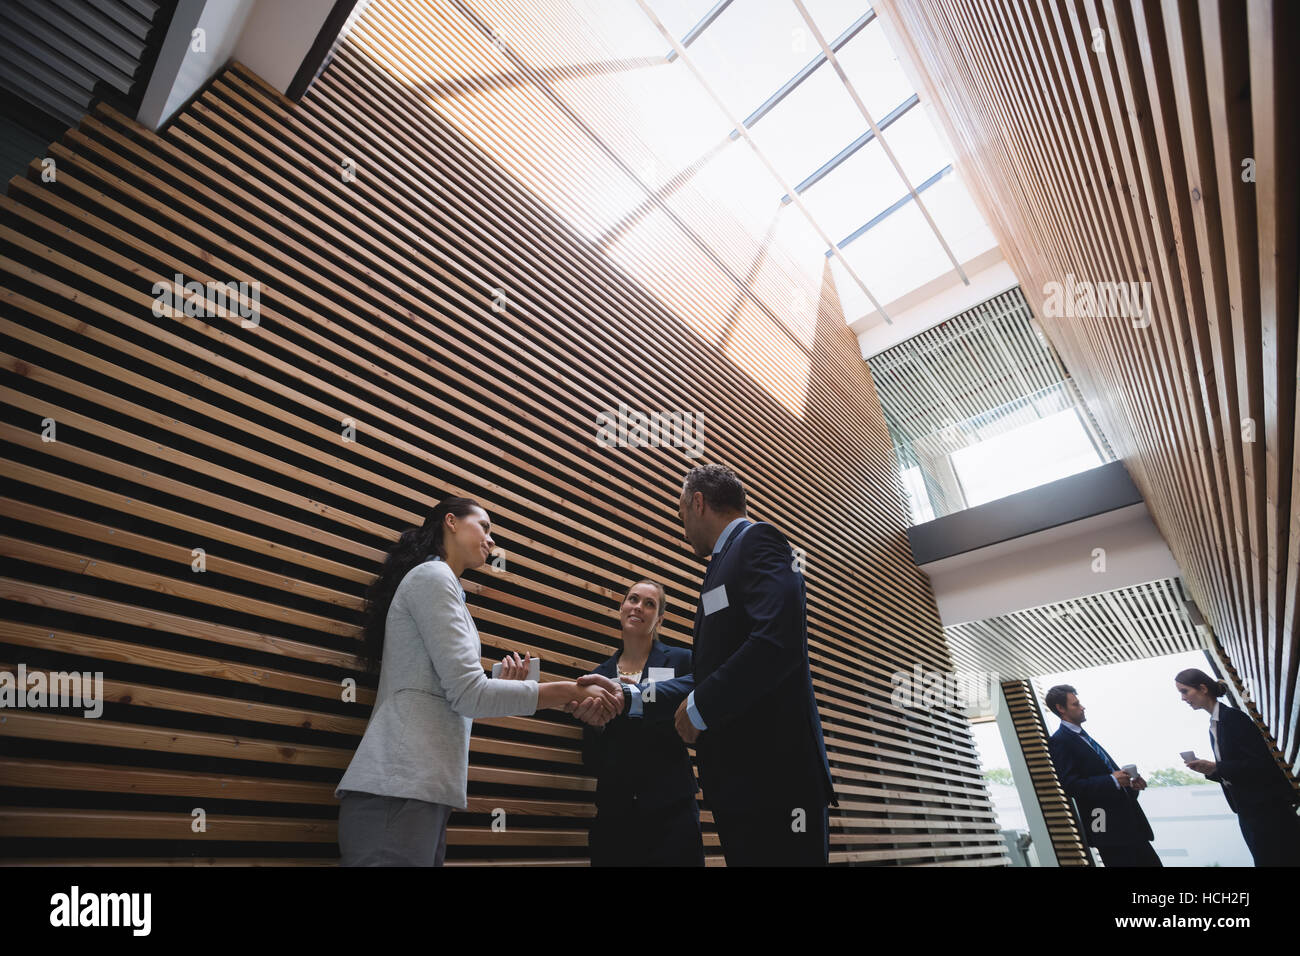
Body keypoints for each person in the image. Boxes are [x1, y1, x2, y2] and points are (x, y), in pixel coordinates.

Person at [334, 497, 620, 866]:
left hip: (417, 788)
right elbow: (469, 694)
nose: (491, 541)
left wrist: (509, 686)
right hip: (401, 785)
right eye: (484, 527)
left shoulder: (441, 583)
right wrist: (571, 689)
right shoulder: (433, 577)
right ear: (450, 522)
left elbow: (451, 690)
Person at [575, 464, 837, 865]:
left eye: (681, 514)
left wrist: (702, 707)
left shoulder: (758, 541)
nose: (683, 529)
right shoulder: (721, 564)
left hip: (777, 783)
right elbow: (707, 676)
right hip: (742, 788)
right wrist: (629, 697)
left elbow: (776, 641)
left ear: (698, 502)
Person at [570, 579, 704, 866]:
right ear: (621, 608)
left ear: (660, 619)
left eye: (649, 603)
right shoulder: (598, 676)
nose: (638, 607)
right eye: (633, 599)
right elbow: (591, 760)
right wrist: (596, 725)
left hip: (672, 809)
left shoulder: (682, 662)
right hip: (615, 814)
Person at [1176, 668, 1300, 866]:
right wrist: (1212, 770)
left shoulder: (1233, 718)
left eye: (1184, 691)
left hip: (1267, 812)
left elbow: (1261, 764)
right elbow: (1237, 769)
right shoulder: (1215, 725)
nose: (1182, 698)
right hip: (1249, 811)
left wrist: (1218, 767)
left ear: (1202, 688)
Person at [1044, 684, 1160, 867]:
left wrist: (1129, 784)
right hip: (1109, 832)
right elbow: (1071, 785)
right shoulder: (1060, 741)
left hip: (1131, 827)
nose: (1082, 707)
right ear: (1061, 709)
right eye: (1076, 704)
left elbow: (1109, 780)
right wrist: (1113, 780)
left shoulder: (1085, 738)